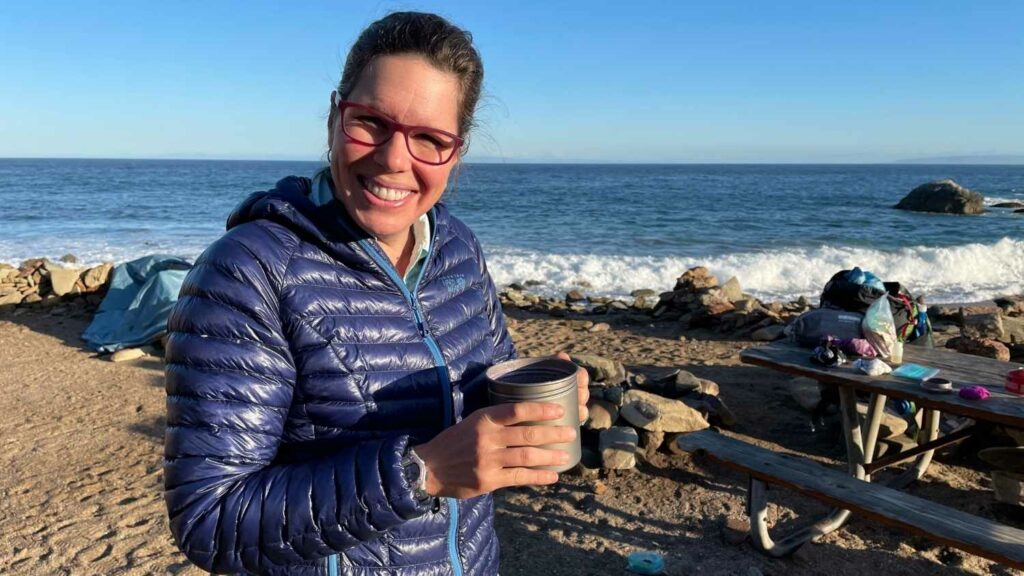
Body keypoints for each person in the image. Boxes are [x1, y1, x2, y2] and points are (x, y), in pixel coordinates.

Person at [163, 11, 589, 576]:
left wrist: (521, 410)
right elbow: (211, 521)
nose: (393, 159)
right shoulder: (248, 271)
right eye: (371, 123)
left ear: (455, 152)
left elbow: (464, 407)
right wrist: (421, 473)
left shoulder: (457, 247)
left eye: (429, 139)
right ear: (336, 117)